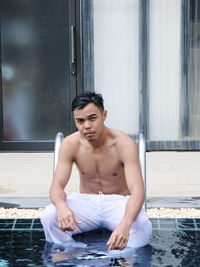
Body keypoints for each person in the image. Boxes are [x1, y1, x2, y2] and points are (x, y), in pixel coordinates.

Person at [41, 91, 152, 251]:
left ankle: (120, 258)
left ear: (104, 115)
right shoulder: (70, 144)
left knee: (141, 224)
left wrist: (126, 223)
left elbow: (138, 191)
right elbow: (56, 186)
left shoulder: (123, 144)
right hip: (86, 202)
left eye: (92, 118)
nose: (86, 126)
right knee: (49, 215)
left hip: (119, 203)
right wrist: (61, 207)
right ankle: (71, 251)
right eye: (80, 121)